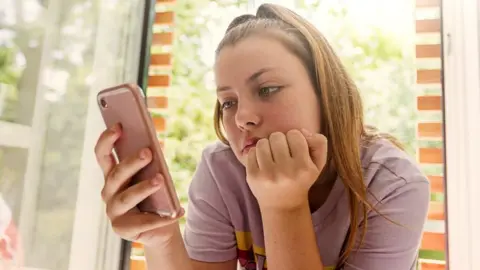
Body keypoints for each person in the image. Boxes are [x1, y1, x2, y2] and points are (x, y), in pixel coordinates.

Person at [94, 3, 429, 270]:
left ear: (327, 94)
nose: (242, 118)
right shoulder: (221, 171)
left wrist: (284, 206)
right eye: (228, 102)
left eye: (267, 89)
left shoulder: (393, 185)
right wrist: (161, 238)